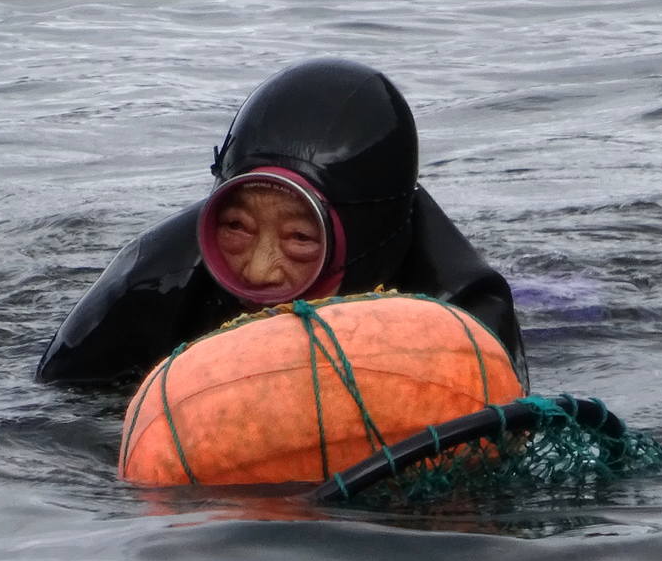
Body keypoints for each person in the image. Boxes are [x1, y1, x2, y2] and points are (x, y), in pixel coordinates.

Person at [36, 58, 528, 390]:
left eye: (298, 237)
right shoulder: (148, 280)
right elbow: (53, 412)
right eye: (236, 228)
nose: (259, 270)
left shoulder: (464, 314)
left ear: (362, 241)